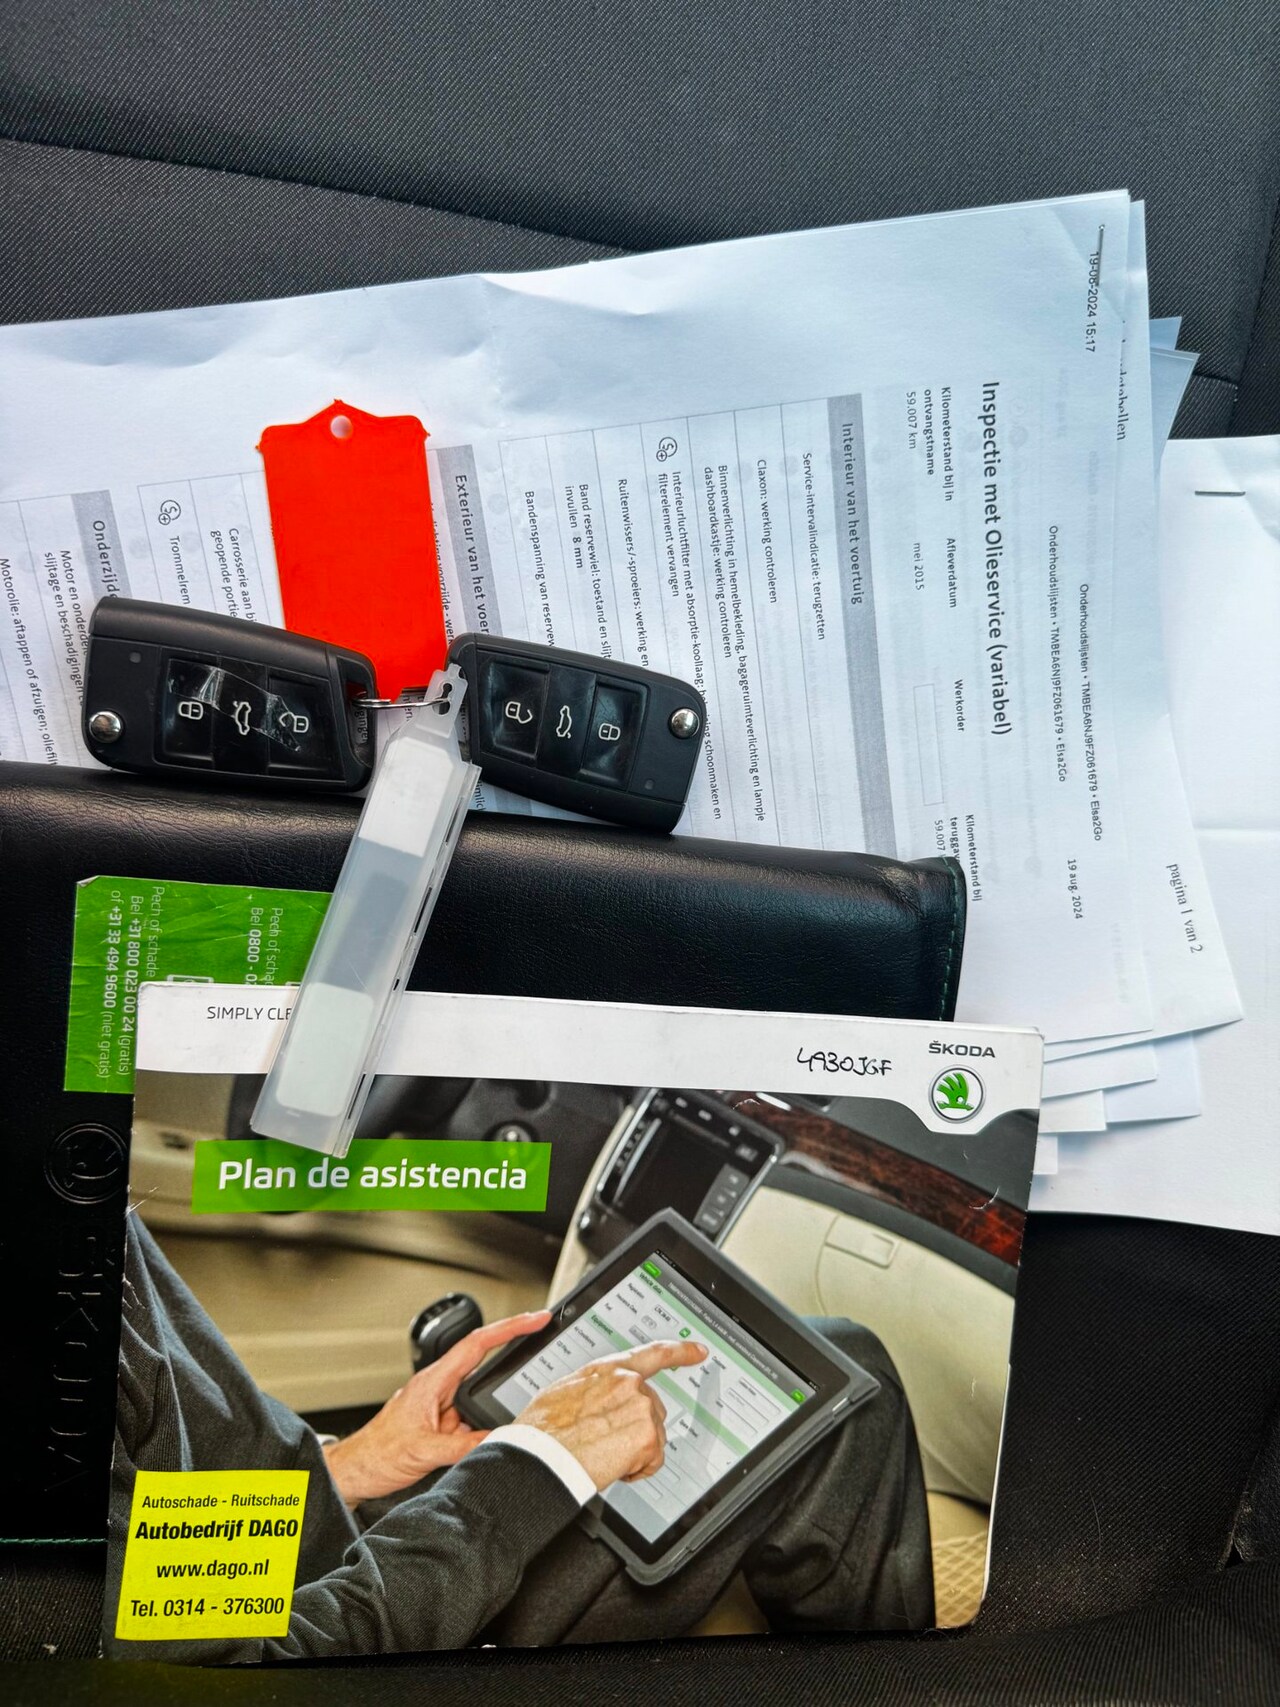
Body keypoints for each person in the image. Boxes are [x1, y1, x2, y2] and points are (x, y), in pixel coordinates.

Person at [105, 1216, 933, 1661]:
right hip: (341, 1626)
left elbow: (151, 1564)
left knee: (825, 1361)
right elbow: (245, 1662)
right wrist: (538, 1465)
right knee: (849, 1389)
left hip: (268, 1559)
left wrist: (351, 1466)